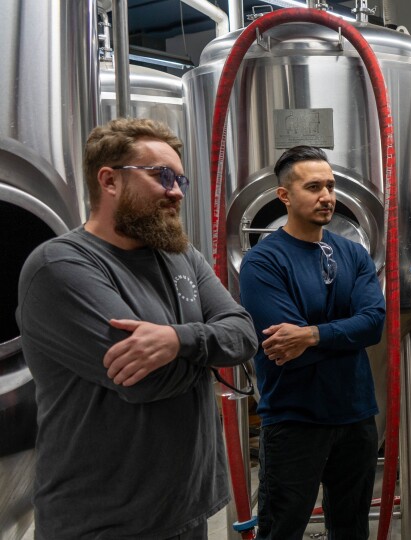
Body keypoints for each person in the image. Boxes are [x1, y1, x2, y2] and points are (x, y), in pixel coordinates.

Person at [16, 117, 258, 539]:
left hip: (186, 507)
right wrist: (205, 353)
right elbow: (145, 382)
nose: (177, 191)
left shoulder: (181, 257)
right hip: (104, 521)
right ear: (109, 181)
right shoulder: (61, 266)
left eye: (180, 178)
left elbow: (243, 334)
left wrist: (178, 339)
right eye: (162, 176)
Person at [238, 145, 385, 539]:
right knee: (283, 529)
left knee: (352, 529)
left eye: (331, 186)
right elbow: (284, 348)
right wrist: (341, 334)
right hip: (294, 419)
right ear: (284, 196)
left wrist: (313, 334)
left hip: (356, 415)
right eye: (314, 186)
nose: (327, 196)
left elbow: (373, 324)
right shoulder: (263, 261)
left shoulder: (354, 254)